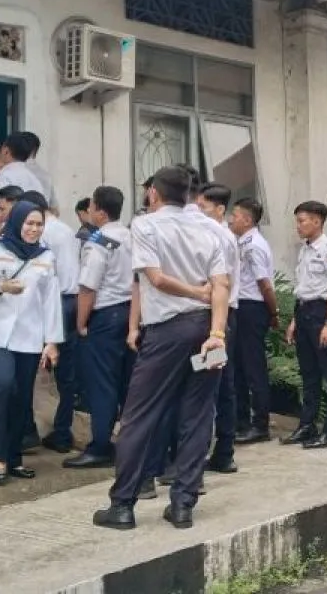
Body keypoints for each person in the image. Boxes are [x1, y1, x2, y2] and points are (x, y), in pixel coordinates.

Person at [94, 166, 228, 531]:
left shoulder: (145, 225)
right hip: (207, 331)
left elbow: (154, 278)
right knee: (199, 414)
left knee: (140, 414)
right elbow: (222, 285)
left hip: (168, 332)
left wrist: (193, 292)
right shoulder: (211, 229)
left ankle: (123, 505)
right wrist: (217, 332)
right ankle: (183, 504)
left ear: (153, 192)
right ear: (190, 194)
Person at [0, 201, 62, 485]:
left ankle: (14, 457)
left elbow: (51, 301)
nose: (34, 229)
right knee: (3, 385)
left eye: (39, 224)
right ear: (17, 222)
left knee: (21, 398)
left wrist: (52, 341)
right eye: (29, 223)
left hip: (28, 337)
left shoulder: (46, 256)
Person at [64, 186, 133, 469]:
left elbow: (88, 287)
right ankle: (130, 444)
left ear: (101, 212)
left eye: (91, 206)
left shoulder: (98, 242)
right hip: (131, 313)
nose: (89, 210)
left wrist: (81, 323)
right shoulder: (130, 235)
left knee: (101, 383)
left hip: (105, 316)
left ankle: (101, 446)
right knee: (126, 382)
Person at [281, 201, 327, 449]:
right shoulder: (305, 250)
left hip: (322, 313)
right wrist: (294, 321)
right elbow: (303, 288)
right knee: (309, 374)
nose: (298, 226)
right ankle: (307, 425)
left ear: (317, 221)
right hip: (304, 312)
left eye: (302, 221)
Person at [28, 192, 83, 454]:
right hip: (73, 301)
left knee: (33, 366)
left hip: (55, 303)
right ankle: (62, 431)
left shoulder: (43, 233)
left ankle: (29, 430)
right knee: (67, 375)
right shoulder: (66, 229)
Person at [196, 182, 242, 473]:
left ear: (220, 209)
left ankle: (217, 451)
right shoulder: (223, 235)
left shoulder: (218, 236)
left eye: (203, 207)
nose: (198, 212)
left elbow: (219, 282)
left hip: (218, 319)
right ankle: (223, 451)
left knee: (212, 386)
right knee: (222, 385)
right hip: (221, 317)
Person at [230, 197, 279, 444]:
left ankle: (260, 424)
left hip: (252, 307)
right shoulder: (242, 242)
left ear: (248, 220)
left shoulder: (254, 245)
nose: (231, 220)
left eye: (235, 216)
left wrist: (274, 312)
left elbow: (264, 284)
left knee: (253, 367)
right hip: (241, 307)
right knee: (238, 367)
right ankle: (241, 421)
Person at [0, 133, 43, 239]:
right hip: (32, 237)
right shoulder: (34, 179)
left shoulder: (4, 177)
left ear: (6, 151)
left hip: (8, 238)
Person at [19, 131, 59, 215]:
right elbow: (55, 210)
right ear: (35, 150)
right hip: (41, 219)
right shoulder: (45, 176)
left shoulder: (12, 172)